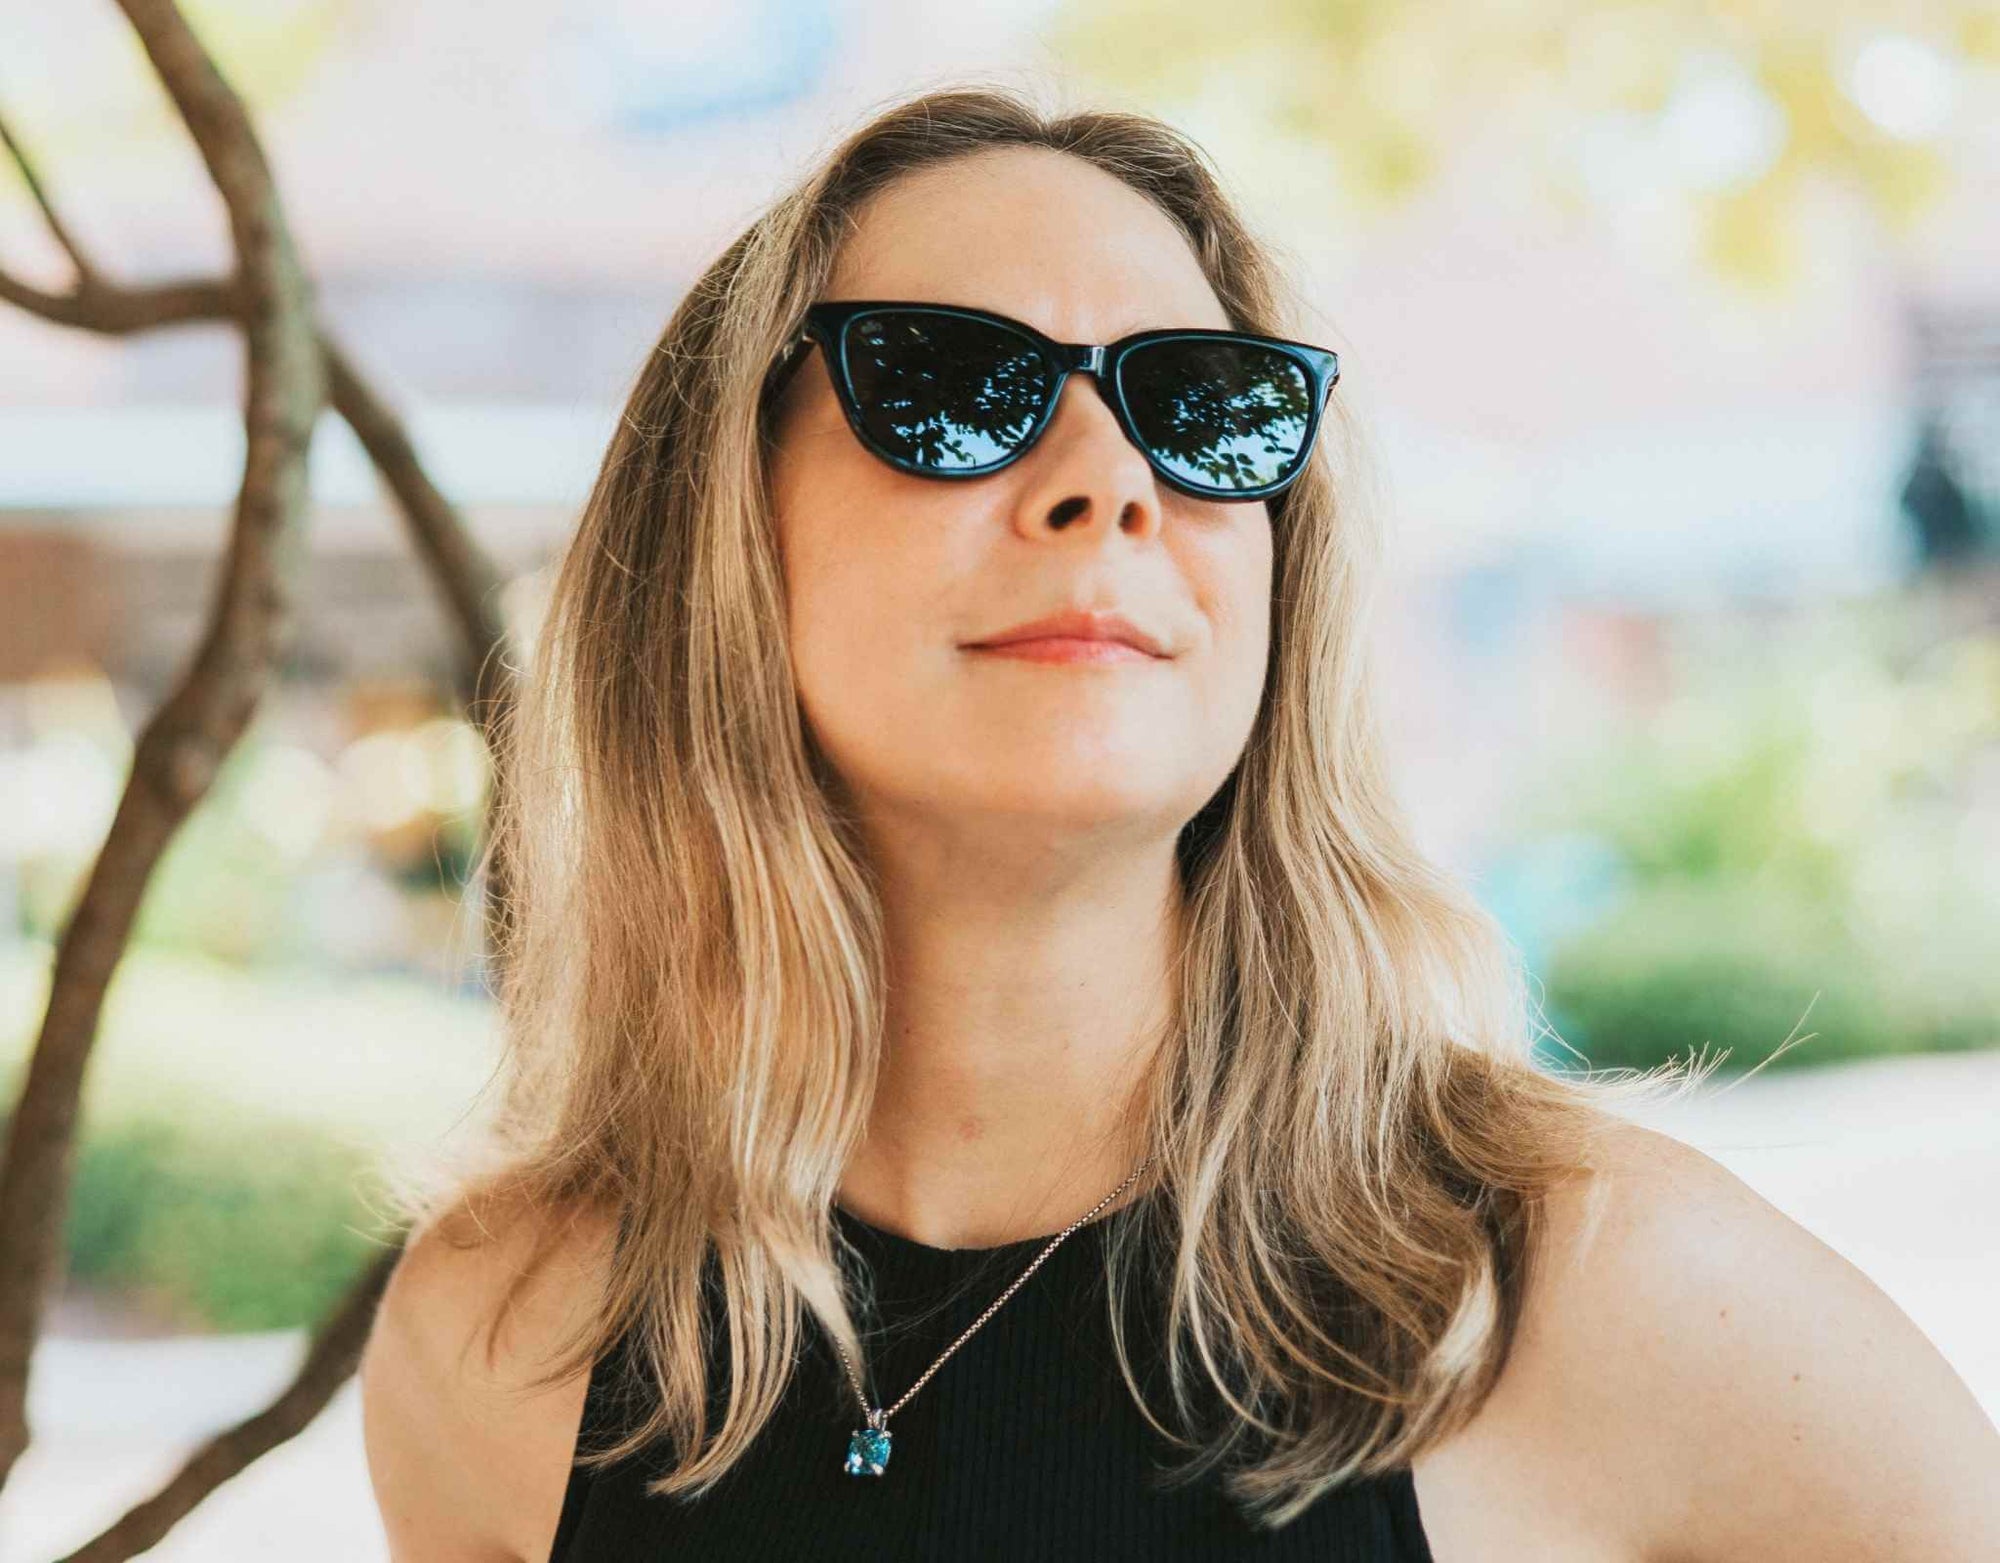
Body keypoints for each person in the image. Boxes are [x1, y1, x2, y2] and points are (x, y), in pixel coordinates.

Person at [357, 85, 2000, 1562]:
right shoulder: (496, 1347)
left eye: (1203, 405)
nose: (1110, 480)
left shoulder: (1584, 1293)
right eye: (954, 385)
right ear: (724, 522)